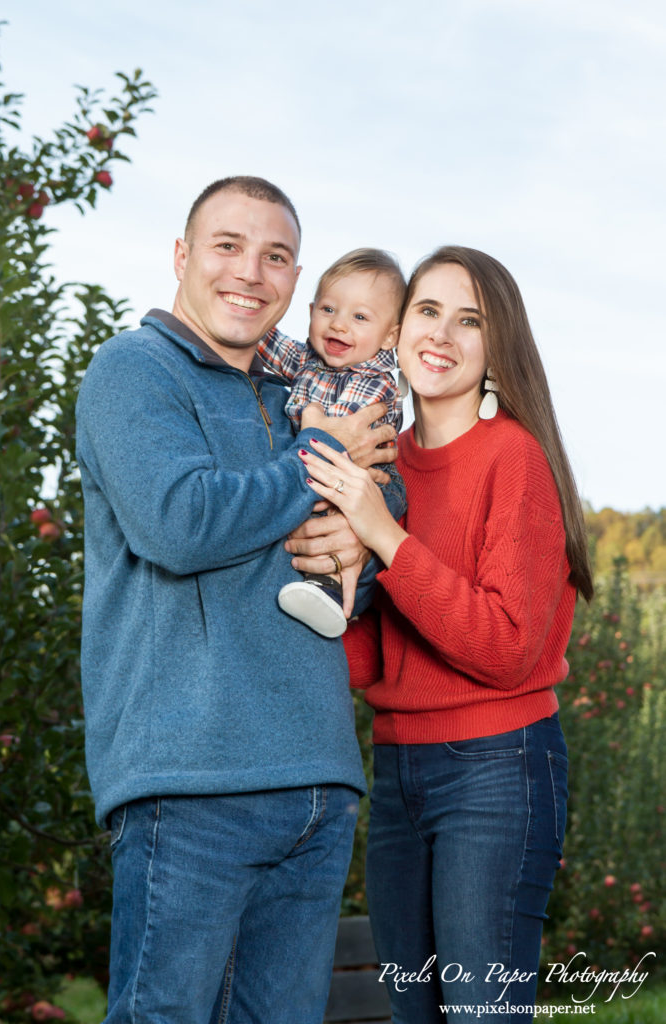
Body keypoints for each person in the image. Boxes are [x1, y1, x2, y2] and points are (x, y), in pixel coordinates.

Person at [75, 175, 398, 1024]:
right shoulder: (132, 372)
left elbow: (384, 493)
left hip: (318, 782)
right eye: (227, 246)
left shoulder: (301, 388)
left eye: (277, 256)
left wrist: (366, 530)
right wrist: (316, 460)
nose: (250, 273)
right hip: (192, 780)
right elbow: (179, 524)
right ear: (182, 256)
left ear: (296, 279)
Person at [292, 245, 594, 1023]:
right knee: (413, 1015)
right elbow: (370, 654)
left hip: (496, 769)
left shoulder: (512, 459)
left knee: (479, 1013)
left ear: (498, 348)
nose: (443, 335)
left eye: (471, 321)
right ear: (395, 330)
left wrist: (383, 537)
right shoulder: (383, 465)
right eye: (428, 311)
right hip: (397, 771)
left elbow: (504, 647)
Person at [257, 247, 407, 638]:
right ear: (310, 312)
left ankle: (337, 595)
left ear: (390, 334)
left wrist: (309, 424)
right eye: (328, 310)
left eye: (359, 317)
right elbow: (266, 340)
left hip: (368, 481)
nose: (339, 325)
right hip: (322, 467)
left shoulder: (376, 381)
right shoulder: (310, 360)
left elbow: (339, 435)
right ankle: (320, 588)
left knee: (336, 522)